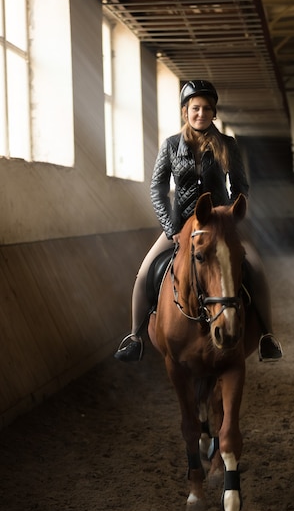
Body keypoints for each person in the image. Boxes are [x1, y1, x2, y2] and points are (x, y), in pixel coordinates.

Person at [114, 79, 283, 362]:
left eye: (207, 109)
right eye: (195, 108)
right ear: (185, 111)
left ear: (214, 113)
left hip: (220, 227)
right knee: (144, 274)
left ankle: (267, 336)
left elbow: (241, 187)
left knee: (255, 269)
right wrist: (170, 229)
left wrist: (227, 217)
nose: (201, 114)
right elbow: (156, 189)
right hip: (179, 226)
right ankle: (134, 337)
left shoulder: (228, 145)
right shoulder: (169, 146)